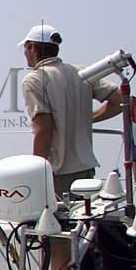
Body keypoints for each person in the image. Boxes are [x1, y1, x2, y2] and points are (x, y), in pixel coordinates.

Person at [20, 22, 124, 200]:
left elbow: (44, 130)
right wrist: (87, 119)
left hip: (58, 172)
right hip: (85, 168)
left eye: (25, 47)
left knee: (52, 224)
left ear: (32, 47)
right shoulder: (81, 72)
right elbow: (120, 100)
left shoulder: (35, 80)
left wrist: (36, 172)